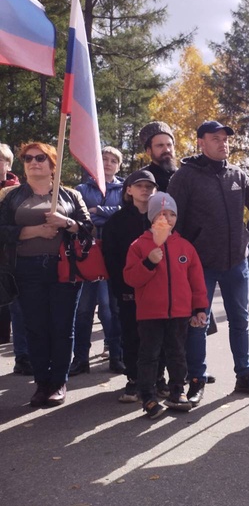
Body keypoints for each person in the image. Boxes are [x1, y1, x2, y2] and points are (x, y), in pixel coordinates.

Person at [168, 120, 249, 404]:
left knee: (240, 319)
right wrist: (182, 259)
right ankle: (197, 378)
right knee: (197, 321)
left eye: (225, 138)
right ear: (200, 141)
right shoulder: (184, 177)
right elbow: (174, 221)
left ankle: (244, 375)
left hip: (236, 260)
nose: (223, 143)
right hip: (199, 263)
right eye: (216, 138)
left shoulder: (237, 175)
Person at [0, 142, 92, 406]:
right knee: (35, 328)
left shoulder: (71, 196)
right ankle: (42, 383)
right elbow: (1, 230)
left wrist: (67, 223)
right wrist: (33, 232)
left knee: (62, 327)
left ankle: (59, 381)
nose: (33, 162)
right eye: (28, 158)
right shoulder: (11, 196)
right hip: (26, 270)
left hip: (64, 268)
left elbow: (88, 230)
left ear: (53, 165)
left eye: (40, 158)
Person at [124, 193, 208, 419]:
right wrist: (148, 262)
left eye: (172, 214)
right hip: (150, 312)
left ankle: (177, 392)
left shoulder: (185, 247)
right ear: (152, 217)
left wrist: (199, 307)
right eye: (162, 214)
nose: (168, 218)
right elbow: (131, 278)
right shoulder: (139, 246)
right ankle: (148, 397)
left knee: (177, 353)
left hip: (179, 312)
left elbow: (196, 281)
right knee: (149, 355)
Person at [103, 169, 166, 403]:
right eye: (139, 185)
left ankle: (158, 378)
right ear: (128, 190)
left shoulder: (162, 220)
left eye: (149, 186)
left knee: (159, 336)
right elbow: (111, 259)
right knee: (131, 335)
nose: (145, 189)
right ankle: (134, 379)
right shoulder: (116, 222)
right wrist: (122, 289)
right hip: (129, 290)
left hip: (159, 290)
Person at [69, 146, 125, 376]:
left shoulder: (123, 188)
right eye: (104, 159)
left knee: (111, 309)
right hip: (87, 255)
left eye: (113, 160)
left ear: (119, 165)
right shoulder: (81, 189)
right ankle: (80, 358)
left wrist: (99, 210)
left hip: (113, 255)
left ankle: (116, 356)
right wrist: (102, 216)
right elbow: (81, 218)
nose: (108, 163)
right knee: (83, 310)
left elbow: (123, 213)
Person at [0, 143, 30, 374]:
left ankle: (23, 356)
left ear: (8, 164)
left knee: (18, 308)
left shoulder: (18, 192)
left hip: (12, 257)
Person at [138, 121, 178, 193]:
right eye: (160, 145)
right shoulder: (140, 179)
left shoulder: (186, 175)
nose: (167, 149)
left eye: (169, 145)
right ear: (148, 151)